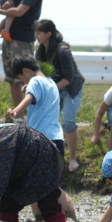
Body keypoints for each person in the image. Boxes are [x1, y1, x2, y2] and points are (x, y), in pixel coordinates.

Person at [6, 54, 78, 222]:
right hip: (56, 138)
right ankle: (70, 218)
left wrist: (16, 110)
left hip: (39, 139)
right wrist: (28, 86)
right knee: (53, 185)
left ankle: (40, 219)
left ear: (25, 70)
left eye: (21, 77)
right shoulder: (51, 82)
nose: (23, 81)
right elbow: (35, 94)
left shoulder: (35, 82)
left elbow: (30, 98)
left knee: (31, 181)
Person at [34, 19, 85, 172]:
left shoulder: (63, 51)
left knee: (68, 123)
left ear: (48, 34)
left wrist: (50, 89)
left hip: (70, 89)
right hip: (55, 88)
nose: (36, 36)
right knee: (47, 121)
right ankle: (50, 156)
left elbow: (69, 78)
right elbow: (39, 72)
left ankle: (73, 159)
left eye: (38, 33)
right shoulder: (41, 50)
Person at [0, 0, 44, 107]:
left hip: (23, 39)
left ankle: (30, 115)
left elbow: (19, 11)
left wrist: (0, 11)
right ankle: (19, 116)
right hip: (10, 37)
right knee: (12, 78)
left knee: (25, 79)